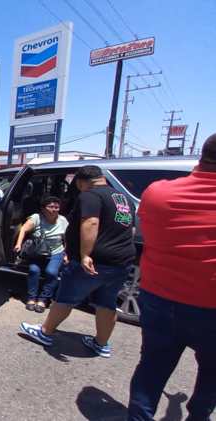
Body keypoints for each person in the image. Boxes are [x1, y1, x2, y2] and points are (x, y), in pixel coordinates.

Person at [127, 134, 216, 421]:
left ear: (201, 154)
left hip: (160, 300)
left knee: (151, 369)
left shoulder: (157, 193)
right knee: (212, 376)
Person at [20, 165, 136, 358]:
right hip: (121, 261)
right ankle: (101, 343)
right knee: (106, 303)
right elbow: (129, 230)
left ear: (82, 181)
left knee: (65, 298)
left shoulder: (91, 195)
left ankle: (45, 332)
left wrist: (85, 254)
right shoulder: (123, 199)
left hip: (94, 260)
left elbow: (90, 223)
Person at [13, 196, 68, 313]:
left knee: (51, 272)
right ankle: (31, 298)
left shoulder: (63, 220)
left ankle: (43, 299)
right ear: (43, 209)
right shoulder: (36, 217)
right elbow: (23, 229)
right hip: (37, 252)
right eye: (51, 207)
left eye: (57, 207)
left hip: (56, 252)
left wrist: (66, 254)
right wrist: (18, 244)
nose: (55, 209)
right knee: (34, 271)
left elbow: (66, 239)